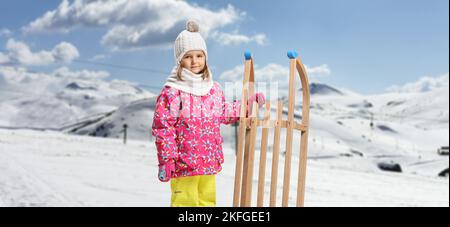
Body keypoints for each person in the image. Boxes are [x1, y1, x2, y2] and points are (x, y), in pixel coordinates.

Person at [151, 20, 265, 207]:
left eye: (199, 55)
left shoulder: (213, 89)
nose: (195, 61)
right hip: (183, 163)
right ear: (179, 60)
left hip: (208, 161)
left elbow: (224, 112)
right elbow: (163, 128)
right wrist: (166, 160)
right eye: (188, 57)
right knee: (185, 203)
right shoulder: (172, 92)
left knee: (207, 202)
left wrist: (247, 106)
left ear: (205, 57)